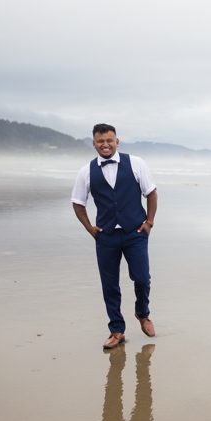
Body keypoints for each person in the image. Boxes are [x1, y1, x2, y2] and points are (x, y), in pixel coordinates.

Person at [72, 124, 158, 349]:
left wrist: (149, 222)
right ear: (94, 144)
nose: (105, 144)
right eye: (100, 141)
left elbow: (151, 192)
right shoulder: (86, 171)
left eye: (109, 140)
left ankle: (143, 314)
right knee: (109, 284)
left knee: (142, 278)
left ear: (117, 141)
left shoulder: (136, 163)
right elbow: (78, 203)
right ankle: (117, 330)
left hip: (135, 233)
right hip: (106, 236)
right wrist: (90, 228)